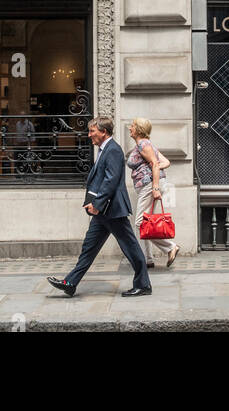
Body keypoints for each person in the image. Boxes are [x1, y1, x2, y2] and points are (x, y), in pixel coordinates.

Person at [48, 116, 152, 297]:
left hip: (112, 209)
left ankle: (143, 285)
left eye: (92, 132)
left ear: (104, 132)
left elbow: (111, 181)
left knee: (130, 247)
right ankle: (70, 282)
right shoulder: (105, 149)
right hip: (103, 211)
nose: (89, 135)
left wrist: (97, 204)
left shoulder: (113, 150)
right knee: (89, 248)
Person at [127, 117, 179, 268]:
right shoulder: (146, 144)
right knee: (146, 222)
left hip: (150, 185)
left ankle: (170, 247)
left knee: (140, 223)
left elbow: (157, 163)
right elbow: (166, 162)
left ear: (138, 129)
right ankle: (147, 259)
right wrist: (153, 165)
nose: (130, 128)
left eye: (132, 126)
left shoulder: (144, 144)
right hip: (149, 185)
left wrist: (155, 187)